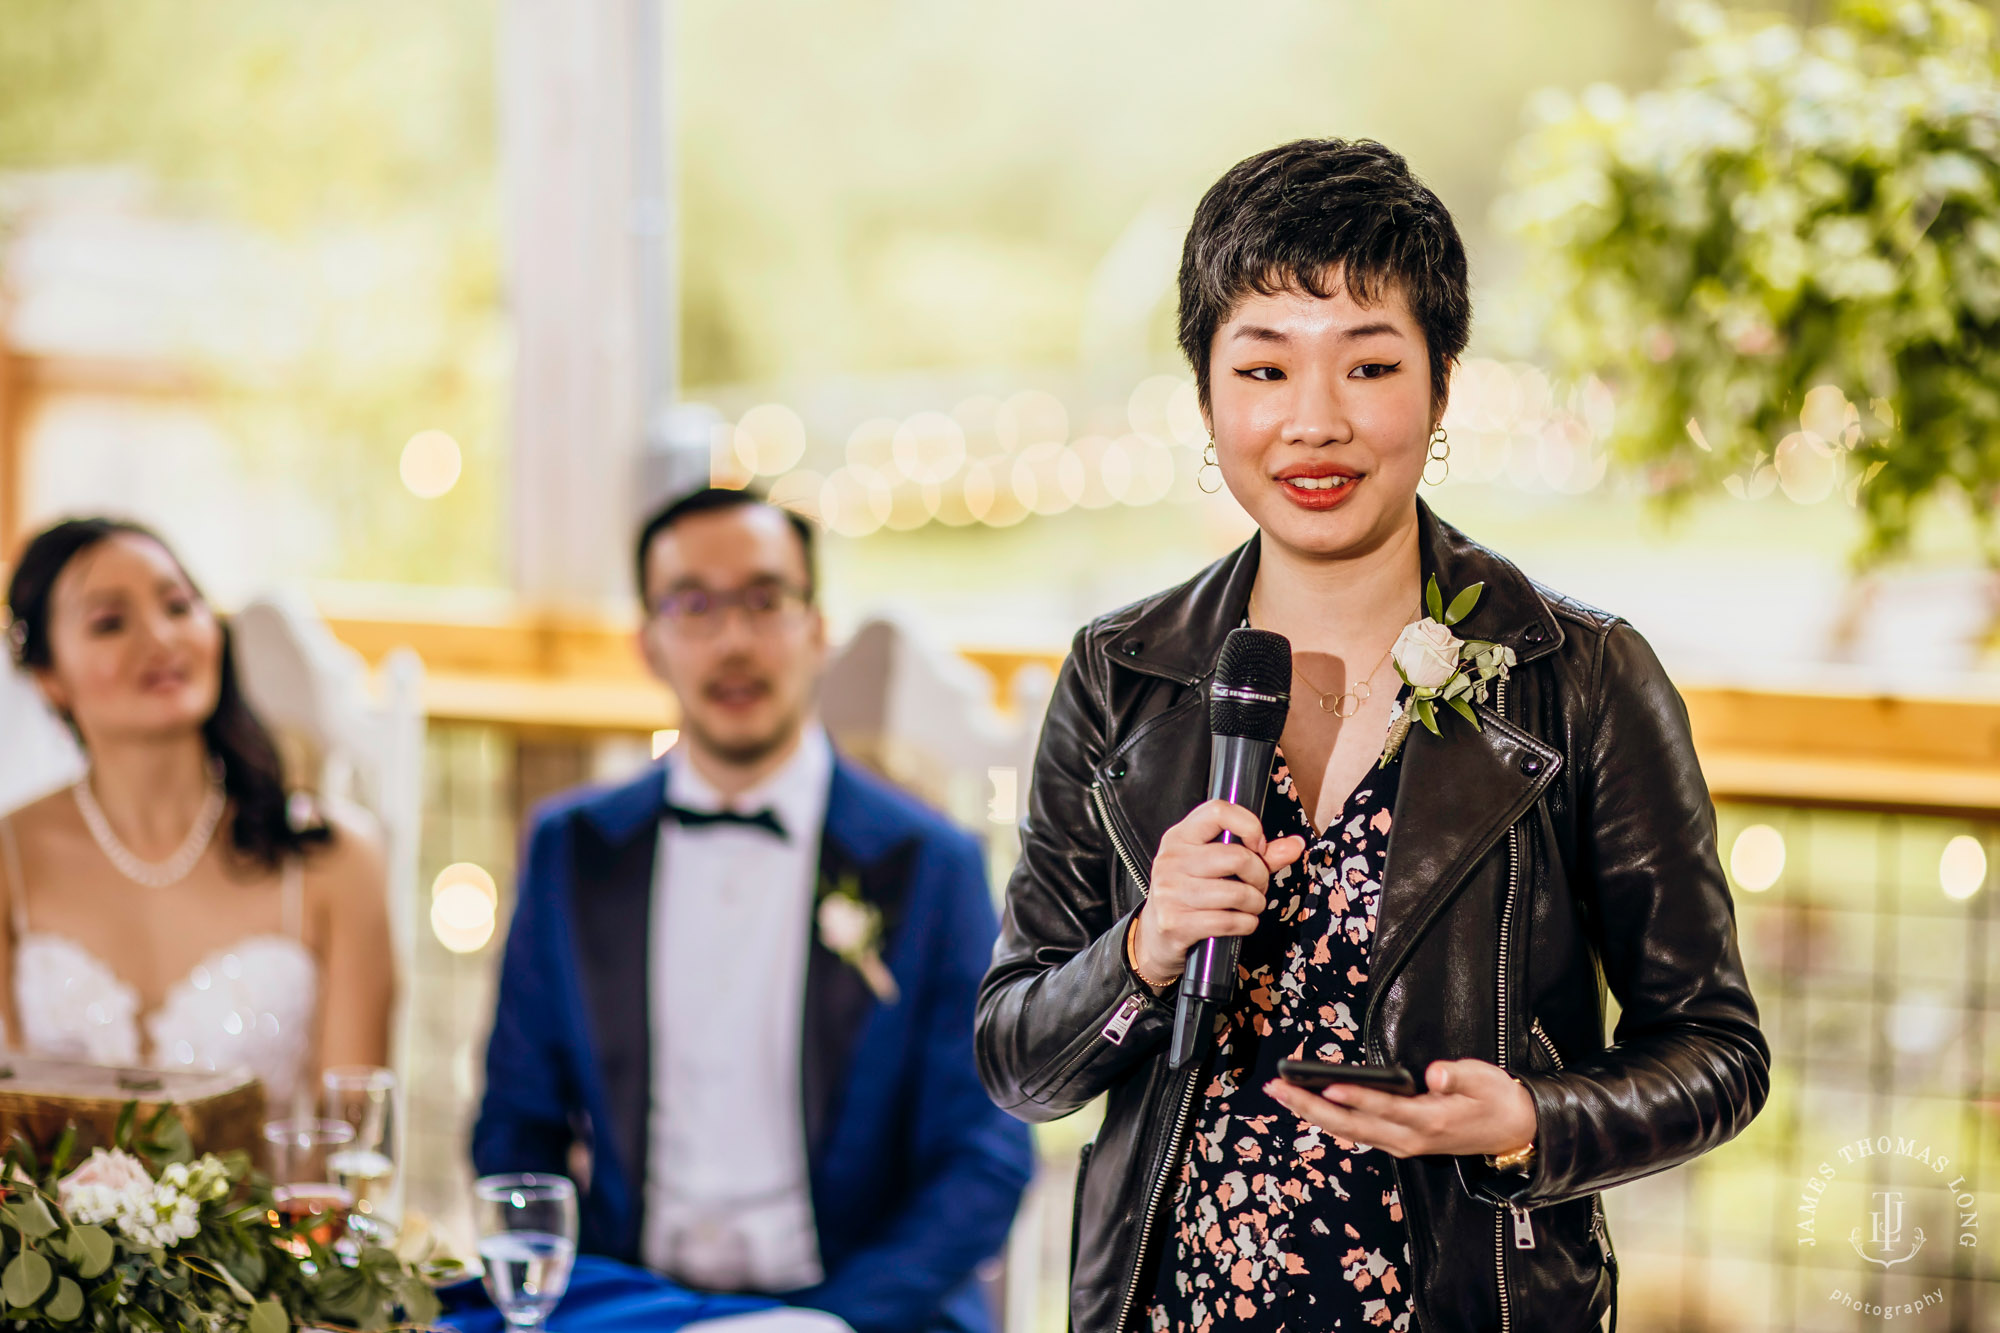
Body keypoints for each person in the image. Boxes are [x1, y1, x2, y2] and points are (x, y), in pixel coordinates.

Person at [975, 139, 1770, 1332]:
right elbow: (1015, 1056)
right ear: (1204, 398)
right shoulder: (1117, 673)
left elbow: (1714, 1050)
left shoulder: (1581, 674)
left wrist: (1529, 1123)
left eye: (1368, 364)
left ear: (1440, 387)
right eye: (1261, 370)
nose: (1312, 422)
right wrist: (1141, 946)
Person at [473, 487, 1033, 1333]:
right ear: (649, 643)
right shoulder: (572, 849)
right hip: (634, 1306)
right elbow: (514, 1125)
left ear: (817, 629)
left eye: (765, 601)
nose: (733, 640)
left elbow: (986, 1156)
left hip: (858, 1312)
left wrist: (830, 1320)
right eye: (693, 605)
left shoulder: (928, 862)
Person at [0, 518, 394, 1111]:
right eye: (110, 622)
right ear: (50, 676)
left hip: (279, 1207)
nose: (160, 639)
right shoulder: (10, 860)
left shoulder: (334, 859)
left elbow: (348, 1148)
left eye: (179, 607)